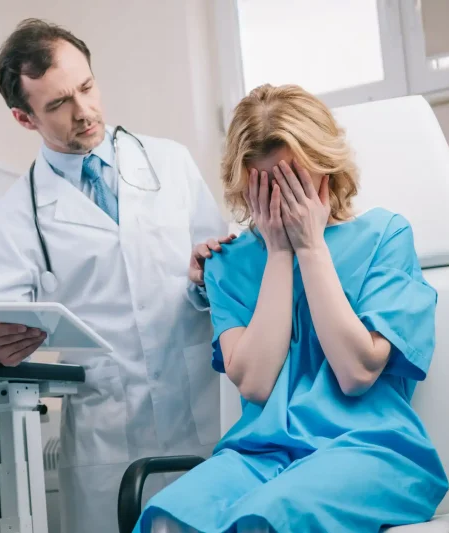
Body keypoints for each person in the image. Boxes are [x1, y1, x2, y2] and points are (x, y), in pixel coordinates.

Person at [133, 84, 448, 532]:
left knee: (265, 519)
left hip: (369, 450)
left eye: (295, 182)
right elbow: (257, 383)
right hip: (259, 453)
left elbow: (356, 374)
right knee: (165, 520)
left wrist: (311, 246)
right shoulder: (228, 264)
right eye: (267, 186)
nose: (283, 200)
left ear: (327, 168)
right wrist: (279, 253)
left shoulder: (385, 237)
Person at [0, 18, 231, 533]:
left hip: (206, 418)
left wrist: (205, 278)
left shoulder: (169, 163)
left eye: (86, 87)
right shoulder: (16, 213)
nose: (84, 112)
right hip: (111, 440)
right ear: (24, 118)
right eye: (58, 104)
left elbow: (222, 280)